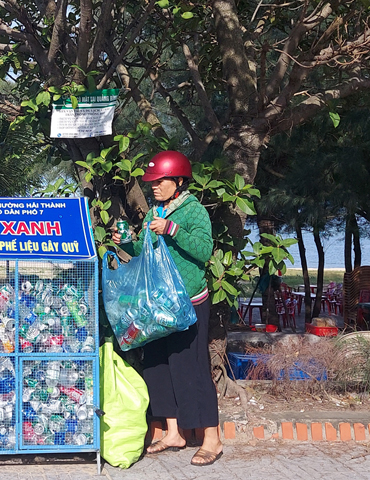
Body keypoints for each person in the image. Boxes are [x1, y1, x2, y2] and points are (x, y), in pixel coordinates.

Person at [112, 150, 223, 467]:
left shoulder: (193, 211)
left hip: (188, 303)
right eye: (152, 182)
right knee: (158, 366)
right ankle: (173, 432)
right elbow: (145, 251)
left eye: (159, 181)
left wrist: (172, 230)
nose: (154, 187)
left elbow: (204, 251)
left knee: (192, 368)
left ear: (178, 180)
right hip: (159, 305)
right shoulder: (154, 213)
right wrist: (126, 242)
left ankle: (211, 440)